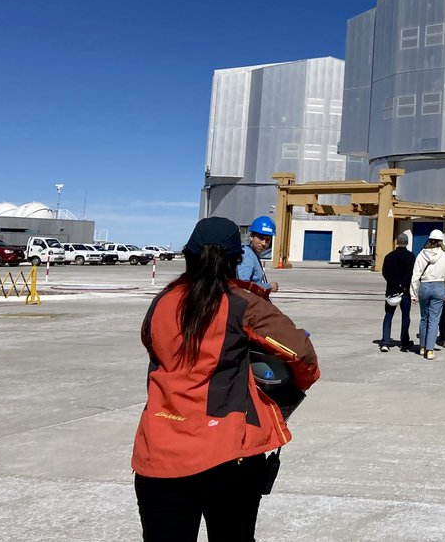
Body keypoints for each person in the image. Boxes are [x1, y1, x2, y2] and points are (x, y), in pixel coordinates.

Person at [131, 216, 319, 542]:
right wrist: (290, 388)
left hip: (159, 453)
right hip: (228, 456)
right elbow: (301, 352)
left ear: (189, 255)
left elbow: (151, 345)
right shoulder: (242, 304)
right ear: (235, 259)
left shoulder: (161, 302)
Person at [410, 229, 445, 360]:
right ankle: (429, 350)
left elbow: (415, 275)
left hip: (424, 286)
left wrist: (413, 293)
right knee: (434, 319)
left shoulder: (422, 254)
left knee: (424, 318)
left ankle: (422, 347)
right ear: (441, 241)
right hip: (439, 286)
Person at [380, 232, 415, 352]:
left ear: (397, 242)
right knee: (405, 317)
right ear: (407, 243)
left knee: (388, 316)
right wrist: (402, 285)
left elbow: (385, 273)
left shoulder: (389, 256)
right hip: (404, 291)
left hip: (391, 291)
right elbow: (410, 274)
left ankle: (385, 341)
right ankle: (404, 342)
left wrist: (394, 284)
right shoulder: (410, 256)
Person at [236, 215, 279, 293]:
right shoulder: (247, 256)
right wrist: (269, 287)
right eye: (261, 238)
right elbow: (243, 285)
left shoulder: (253, 254)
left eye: (267, 240)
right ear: (251, 237)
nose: (263, 243)